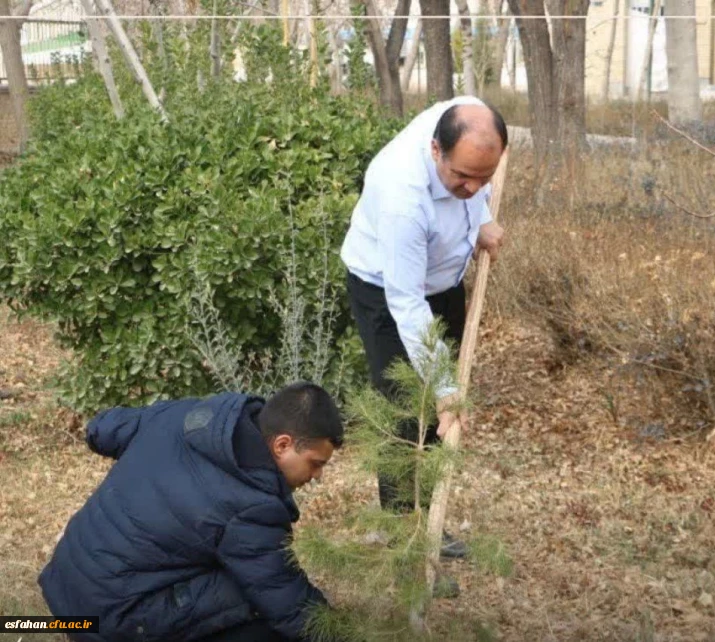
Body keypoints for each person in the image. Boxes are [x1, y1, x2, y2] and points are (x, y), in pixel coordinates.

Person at [38, 383, 343, 642]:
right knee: (257, 605)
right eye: (315, 463)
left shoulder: (191, 416)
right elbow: (287, 602)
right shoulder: (251, 506)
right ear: (282, 444)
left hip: (66, 583)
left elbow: (103, 429)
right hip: (107, 618)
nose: (317, 476)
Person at [340, 96, 507, 558]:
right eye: (461, 178)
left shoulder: (474, 118)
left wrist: (483, 221)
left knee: (438, 415)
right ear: (436, 151)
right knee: (405, 408)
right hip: (386, 290)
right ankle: (403, 533)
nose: (473, 188)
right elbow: (407, 303)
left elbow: (477, 187)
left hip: (444, 279)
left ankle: (430, 519)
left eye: (484, 178)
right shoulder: (402, 197)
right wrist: (444, 384)